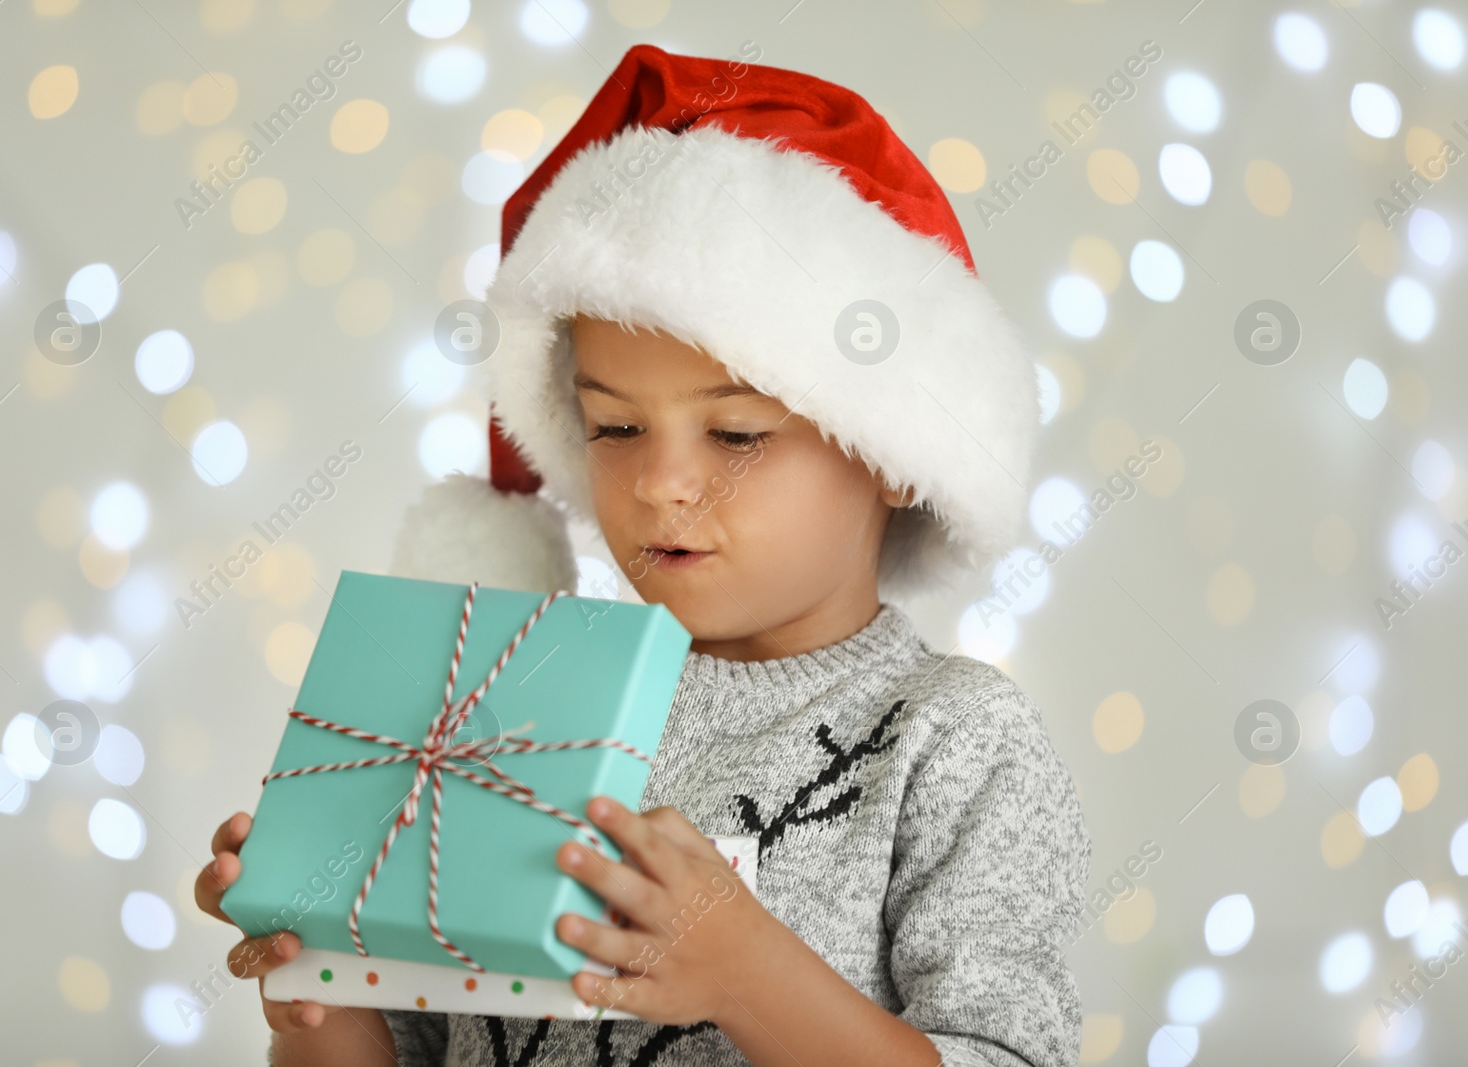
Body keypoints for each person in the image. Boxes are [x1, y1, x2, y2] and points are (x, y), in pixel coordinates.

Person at [195, 42, 1091, 1067]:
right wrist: (316, 984)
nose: (662, 481)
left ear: (892, 452)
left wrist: (751, 974)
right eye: (616, 428)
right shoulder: (516, 703)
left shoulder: (954, 741)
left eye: (737, 434)